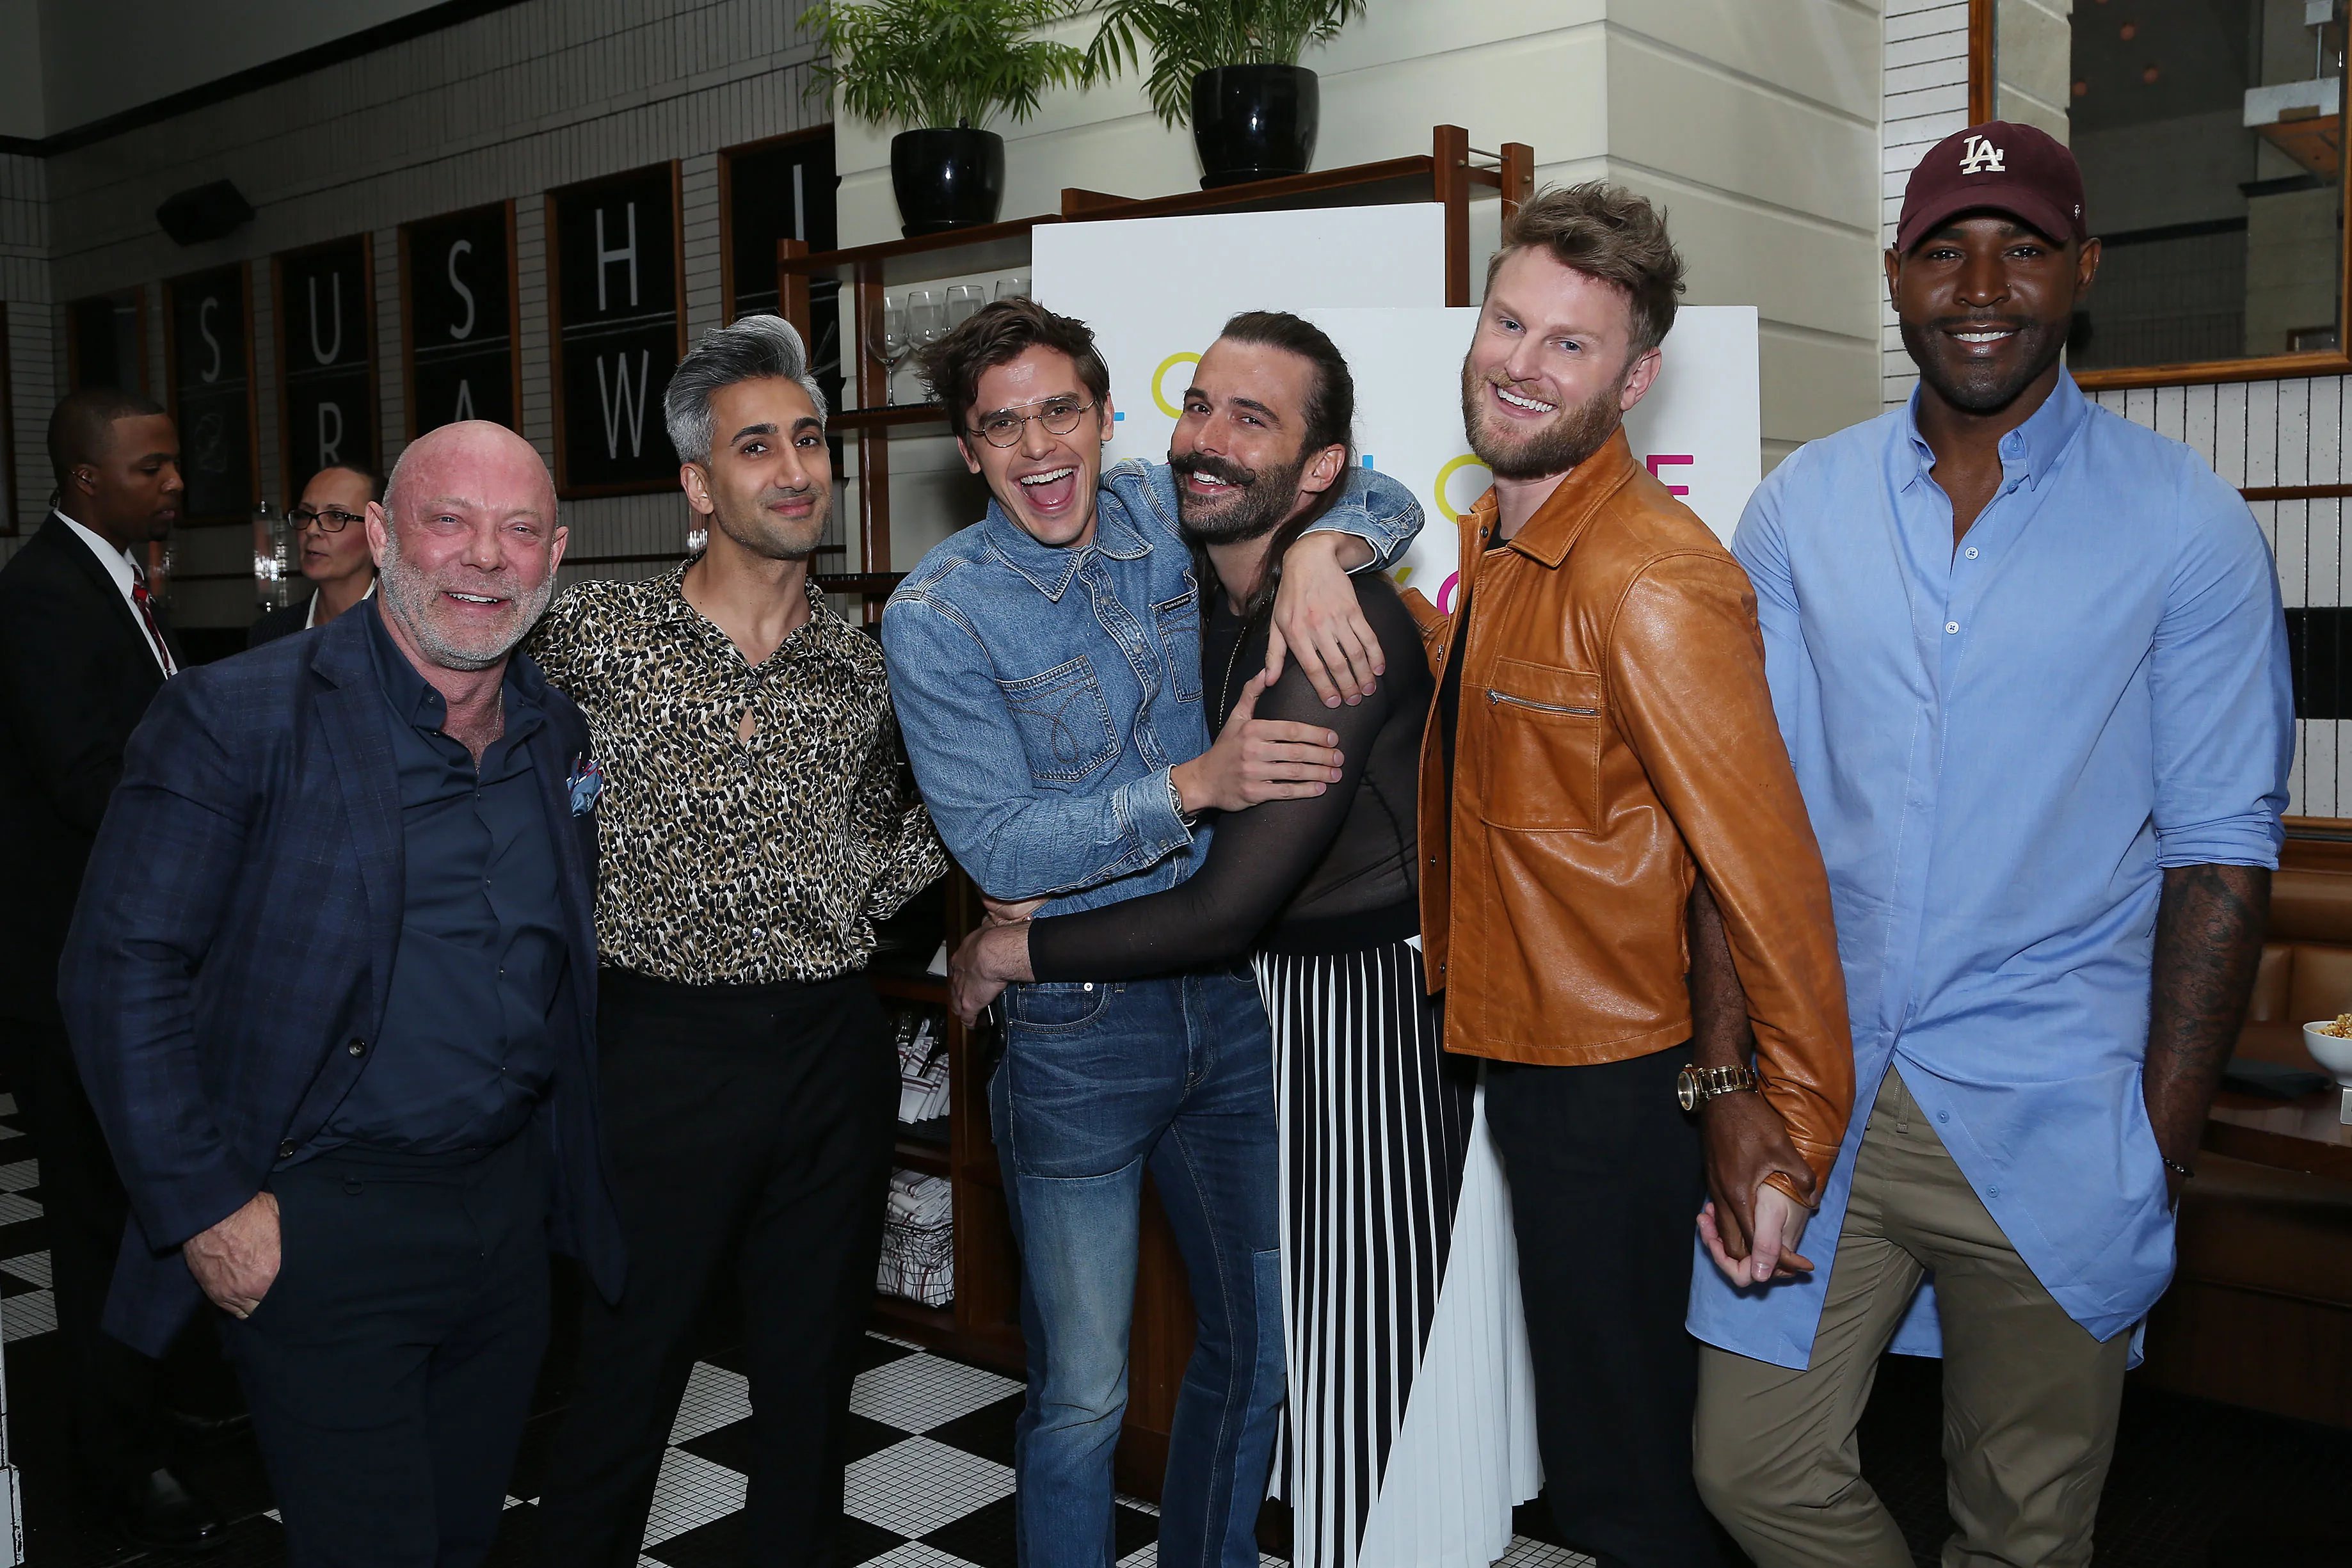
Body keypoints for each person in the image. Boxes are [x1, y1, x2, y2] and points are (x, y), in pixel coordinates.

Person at [1689, 122, 2294, 1568]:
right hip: (1818, 1096)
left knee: (2025, 1528)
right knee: (1747, 1465)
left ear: (2081, 270)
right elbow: (1735, 820)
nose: (1982, 283)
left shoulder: (2189, 528)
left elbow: (2219, 859)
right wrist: (1724, 1083)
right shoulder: (1798, 509)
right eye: (1945, 247)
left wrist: (2153, 1146)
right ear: (1894, 276)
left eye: (2023, 245)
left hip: (2056, 1109)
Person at [948, 310, 1539, 1568]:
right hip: (1262, 1008)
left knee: (1367, 1375)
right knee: (1282, 1357)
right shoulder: (1205, 581)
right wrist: (1329, 537)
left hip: (1371, 1023)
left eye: (1250, 419)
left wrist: (1015, 952)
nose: (1206, 441)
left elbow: (1223, 902)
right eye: (1200, 405)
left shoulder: (1329, 633)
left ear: (1315, 468)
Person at [60, 420, 625, 1568]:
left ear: (556, 556)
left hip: (506, 1224)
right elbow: (118, 969)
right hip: (320, 1224)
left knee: (463, 1537)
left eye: (519, 531)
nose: (484, 558)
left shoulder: (556, 728)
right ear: (381, 536)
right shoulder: (238, 717)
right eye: (448, 521)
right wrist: (208, 1212)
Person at [1409, 183, 1855, 1568]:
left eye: (1570, 345)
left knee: (1629, 1482)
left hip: (1609, 1079)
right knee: (1604, 1449)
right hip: (1519, 1050)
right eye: (1507, 322)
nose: (1519, 362)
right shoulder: (1499, 536)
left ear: (1636, 376)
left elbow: (1765, 878)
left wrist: (1788, 1126)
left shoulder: (1649, 577)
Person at [528, 316, 946, 1568]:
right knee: (624, 1371)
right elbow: (510, 808)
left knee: (812, 1383)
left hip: (831, 1043)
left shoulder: (866, 663)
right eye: (755, 446)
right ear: (698, 486)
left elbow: (920, 824)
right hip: (658, 1048)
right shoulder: (592, 640)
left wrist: (862, 894)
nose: (795, 468)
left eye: (808, 440)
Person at [0, 387, 223, 1553]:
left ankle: (158, 1414)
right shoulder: (39, 595)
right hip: (66, 980)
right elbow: (89, 778)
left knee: (151, 1206)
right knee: (96, 1224)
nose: (175, 483)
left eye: (176, 463)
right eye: (153, 468)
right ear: (88, 481)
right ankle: (112, 1464)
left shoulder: (125, 582)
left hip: (135, 965)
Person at [250, 462, 382, 645]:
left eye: (336, 516)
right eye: (306, 514)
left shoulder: (406, 633)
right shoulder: (271, 633)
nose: (312, 530)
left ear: (378, 532)